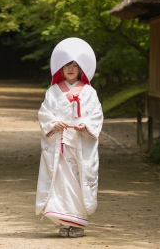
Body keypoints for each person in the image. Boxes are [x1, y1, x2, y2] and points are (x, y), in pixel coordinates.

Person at [36, 37, 103, 238]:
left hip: (80, 146)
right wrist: (54, 124)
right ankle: (63, 222)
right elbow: (44, 113)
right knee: (59, 182)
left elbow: (97, 115)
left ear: (81, 69)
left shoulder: (90, 92)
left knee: (78, 181)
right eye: (67, 66)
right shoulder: (53, 92)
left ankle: (78, 222)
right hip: (59, 146)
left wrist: (86, 125)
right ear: (61, 69)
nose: (71, 69)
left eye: (75, 65)